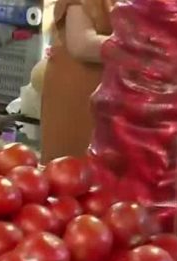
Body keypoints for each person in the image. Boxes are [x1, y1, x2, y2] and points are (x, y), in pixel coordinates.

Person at [39, 0, 114, 162]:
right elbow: (82, 45)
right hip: (78, 95)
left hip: (113, 97)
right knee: (71, 172)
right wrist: (139, 48)